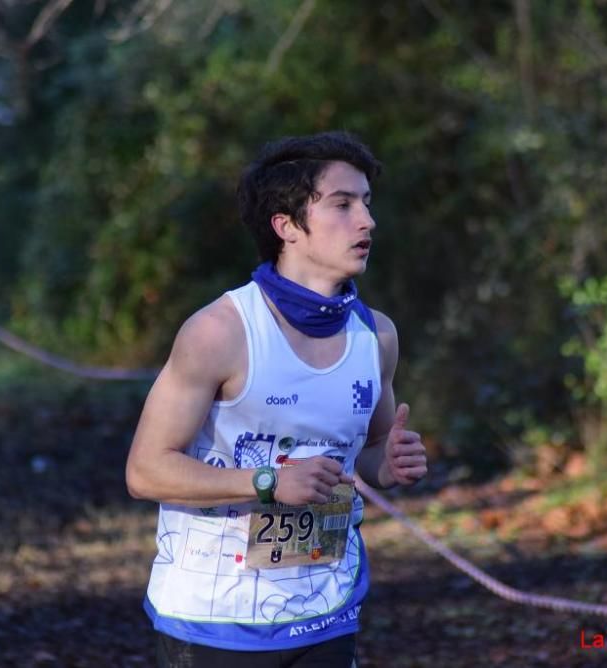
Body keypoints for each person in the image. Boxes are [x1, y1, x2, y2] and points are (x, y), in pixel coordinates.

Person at [126, 131, 428, 667]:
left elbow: (371, 455)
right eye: (342, 204)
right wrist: (268, 483)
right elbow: (146, 472)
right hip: (215, 617)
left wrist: (391, 462)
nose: (367, 221)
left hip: (326, 605)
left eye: (366, 203)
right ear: (285, 225)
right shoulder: (220, 332)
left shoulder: (376, 335)